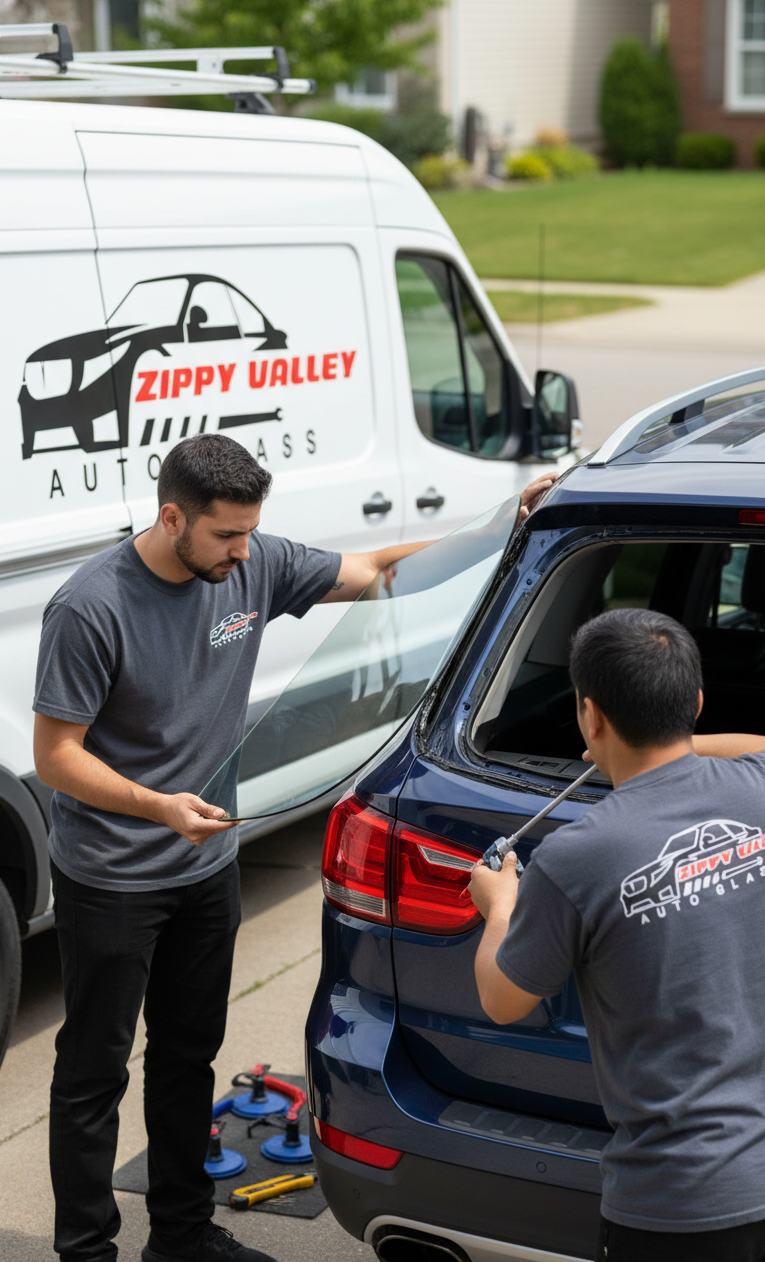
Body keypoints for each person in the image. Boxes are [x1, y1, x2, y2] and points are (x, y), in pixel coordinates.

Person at [33, 432, 554, 1262]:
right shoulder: (91, 605)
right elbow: (54, 756)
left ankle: (180, 1234)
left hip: (204, 870)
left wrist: (500, 527)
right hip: (113, 880)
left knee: (187, 1058)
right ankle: (87, 1249)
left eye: (249, 533)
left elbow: (380, 570)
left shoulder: (252, 564)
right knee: (93, 1073)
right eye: (225, 536)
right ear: (173, 518)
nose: (243, 553)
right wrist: (158, 807)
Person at [470, 606, 765, 1262]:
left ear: (589, 715)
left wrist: (498, 907)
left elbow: (502, 999)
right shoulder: (756, 786)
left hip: (681, 1207)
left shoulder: (578, 855)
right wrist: (678, 747)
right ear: (693, 700)